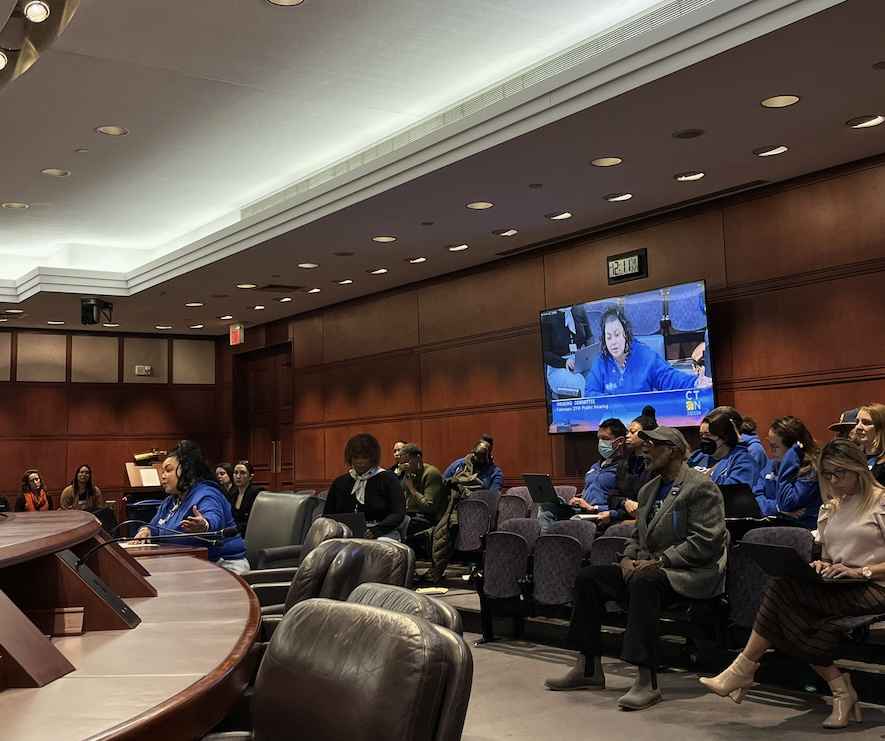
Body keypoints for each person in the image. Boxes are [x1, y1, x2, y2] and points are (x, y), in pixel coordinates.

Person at [700, 439, 885, 729]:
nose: (834, 481)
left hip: (874, 585)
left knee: (785, 601)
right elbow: (829, 553)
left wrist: (860, 571)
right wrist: (822, 564)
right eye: (828, 475)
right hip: (838, 584)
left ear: (859, 470)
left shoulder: (881, 502)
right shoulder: (834, 506)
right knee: (787, 595)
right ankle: (841, 692)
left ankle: (745, 668)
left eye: (840, 474)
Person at [545, 427, 727, 710]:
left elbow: (707, 541)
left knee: (645, 581)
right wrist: (627, 558)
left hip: (689, 574)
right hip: (650, 568)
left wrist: (661, 561)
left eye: (653, 445)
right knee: (589, 578)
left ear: (674, 450)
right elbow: (637, 537)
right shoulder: (649, 489)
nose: (644, 449)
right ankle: (589, 668)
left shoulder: (700, 486)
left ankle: (646, 680)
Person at [133, 441, 249, 573]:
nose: (163, 476)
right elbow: (154, 526)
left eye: (168, 470)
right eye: (162, 471)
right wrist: (147, 530)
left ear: (187, 470)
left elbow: (213, 518)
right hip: (190, 566)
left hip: (224, 566)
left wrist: (204, 525)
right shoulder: (170, 501)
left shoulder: (206, 493)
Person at [584, 307, 710, 397]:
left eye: (617, 335)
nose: (613, 342)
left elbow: (669, 378)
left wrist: (695, 382)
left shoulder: (645, 356)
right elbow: (590, 393)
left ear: (626, 334)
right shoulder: (601, 362)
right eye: (609, 337)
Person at [538, 418, 626, 530]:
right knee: (547, 508)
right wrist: (576, 500)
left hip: (598, 514)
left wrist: (593, 507)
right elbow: (590, 490)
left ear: (619, 441)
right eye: (599, 439)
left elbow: (622, 502)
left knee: (574, 521)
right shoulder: (595, 466)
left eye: (605, 439)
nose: (601, 443)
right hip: (581, 510)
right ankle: (546, 543)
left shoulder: (624, 468)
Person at [324, 433, 405, 540]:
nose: (360, 462)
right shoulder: (339, 483)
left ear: (373, 458)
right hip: (345, 534)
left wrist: (376, 530)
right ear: (350, 458)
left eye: (365, 457)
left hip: (382, 533)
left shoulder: (388, 478)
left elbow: (398, 513)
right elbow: (328, 515)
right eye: (356, 457)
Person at [753, 416, 821, 528]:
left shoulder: (811, 470)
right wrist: (777, 508)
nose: (771, 451)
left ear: (793, 448)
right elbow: (755, 499)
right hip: (773, 528)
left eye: (775, 447)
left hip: (802, 532)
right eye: (770, 445)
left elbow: (788, 503)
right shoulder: (770, 464)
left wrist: (790, 458)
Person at [697, 409, 760, 487]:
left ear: (725, 437)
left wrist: (707, 476)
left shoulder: (743, 461)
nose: (704, 440)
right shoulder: (698, 456)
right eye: (701, 435)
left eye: (708, 435)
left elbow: (733, 491)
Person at [400, 443, 447, 537]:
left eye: (407, 462)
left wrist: (412, 489)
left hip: (428, 519)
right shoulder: (408, 474)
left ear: (418, 458)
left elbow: (429, 507)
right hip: (411, 516)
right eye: (402, 463)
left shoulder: (431, 473)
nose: (405, 466)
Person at [541, 307, 588, 397]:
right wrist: (564, 362)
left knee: (598, 376)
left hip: (578, 362)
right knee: (580, 382)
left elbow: (588, 338)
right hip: (558, 367)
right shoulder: (547, 317)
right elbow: (545, 354)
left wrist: (584, 352)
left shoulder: (578, 311)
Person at [59, 464, 116, 531]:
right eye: (81, 472)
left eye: (87, 473)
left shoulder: (95, 490)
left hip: (90, 516)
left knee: (108, 511)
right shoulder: (68, 491)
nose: (84, 475)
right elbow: (64, 508)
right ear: (77, 475)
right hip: (73, 516)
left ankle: (112, 536)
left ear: (89, 476)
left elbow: (99, 506)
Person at [852, 403, 885, 485]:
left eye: (866, 423)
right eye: (857, 422)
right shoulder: (852, 457)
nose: (858, 427)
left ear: (881, 428)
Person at [228, 460, 263, 533]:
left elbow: (257, 521)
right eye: (235, 473)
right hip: (234, 533)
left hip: (251, 533)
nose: (238, 476)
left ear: (250, 476)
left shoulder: (257, 493)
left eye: (242, 473)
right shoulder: (232, 493)